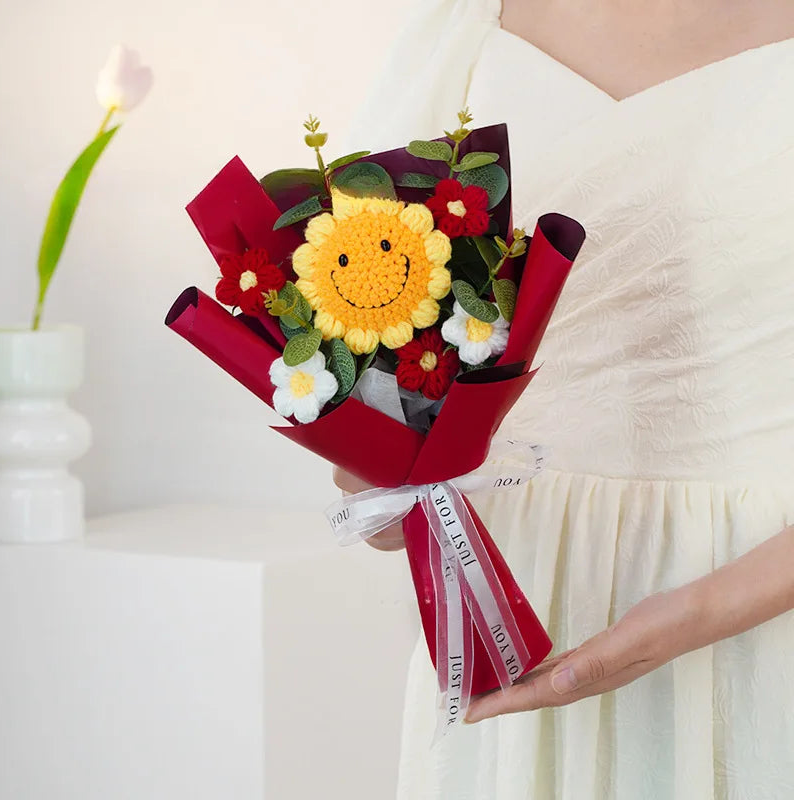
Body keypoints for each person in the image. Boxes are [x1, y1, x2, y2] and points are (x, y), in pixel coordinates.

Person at [336, 1, 794, 797]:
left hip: (757, 618)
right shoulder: (453, 29)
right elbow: (383, 387)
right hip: (508, 619)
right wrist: (384, 468)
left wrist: (704, 609)